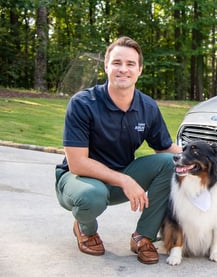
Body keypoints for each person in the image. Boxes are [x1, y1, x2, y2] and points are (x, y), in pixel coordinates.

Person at [55, 36, 182, 264]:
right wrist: (125, 181)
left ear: (140, 70)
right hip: (78, 181)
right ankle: (85, 228)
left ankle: (144, 235)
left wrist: (199, 159)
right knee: (91, 196)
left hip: (120, 176)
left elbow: (166, 148)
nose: (123, 69)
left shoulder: (148, 107)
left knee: (170, 163)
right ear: (106, 66)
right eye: (117, 63)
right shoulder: (83, 103)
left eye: (130, 64)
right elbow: (77, 163)